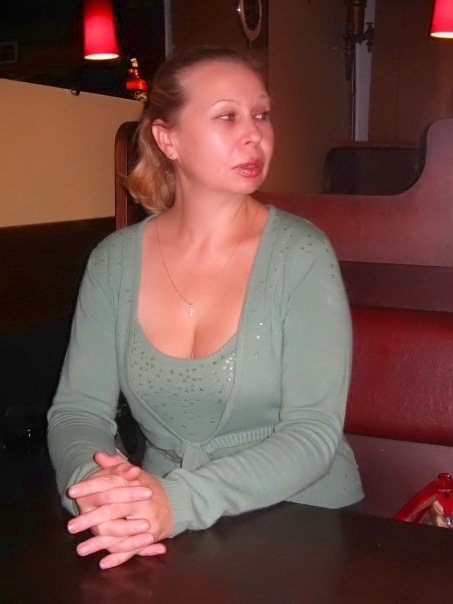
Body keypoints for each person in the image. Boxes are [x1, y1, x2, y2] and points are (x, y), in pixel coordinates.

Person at [47, 45, 363, 570]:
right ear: (166, 138)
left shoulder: (302, 254)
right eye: (227, 117)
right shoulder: (113, 263)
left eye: (262, 114)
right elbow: (79, 410)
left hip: (301, 518)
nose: (255, 135)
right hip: (160, 523)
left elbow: (313, 433)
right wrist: (96, 487)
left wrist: (176, 502)